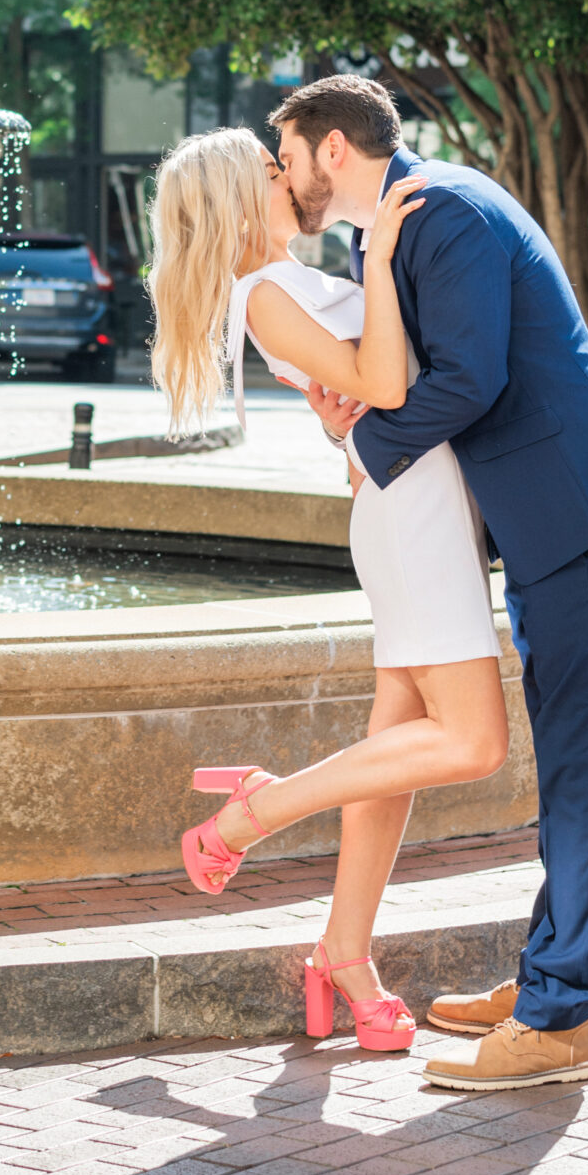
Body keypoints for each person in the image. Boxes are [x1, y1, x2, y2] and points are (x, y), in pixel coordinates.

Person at [271, 74, 588, 1093]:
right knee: (569, 763)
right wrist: (349, 416)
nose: (282, 177)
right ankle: (551, 976)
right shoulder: (397, 230)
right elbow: (405, 375)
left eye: (286, 156)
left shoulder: (436, 211)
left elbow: (470, 379)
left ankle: (559, 1020)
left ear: (330, 150)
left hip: (582, 504)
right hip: (550, 515)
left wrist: (366, 446)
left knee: (584, 769)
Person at [148, 124, 509, 1055]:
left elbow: (363, 398)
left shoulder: (283, 287)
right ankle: (251, 810)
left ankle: (344, 956)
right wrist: (382, 260)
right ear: (240, 199)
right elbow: (385, 377)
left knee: (394, 760)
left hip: (416, 504)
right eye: (274, 171)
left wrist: (339, 427)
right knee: (473, 741)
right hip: (411, 519)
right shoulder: (264, 293)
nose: (290, 181)